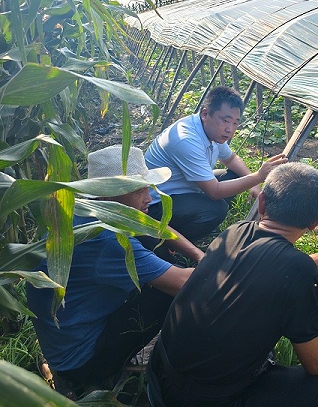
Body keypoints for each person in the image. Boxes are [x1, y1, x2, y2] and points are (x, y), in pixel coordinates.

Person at [147, 162, 318, 406]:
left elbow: (252, 271)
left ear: (262, 201)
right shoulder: (298, 271)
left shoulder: (236, 231)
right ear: (316, 221)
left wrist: (308, 262)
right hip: (202, 399)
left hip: (159, 377)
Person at [27, 145, 203, 399]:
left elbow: (153, 227)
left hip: (61, 338)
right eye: (139, 189)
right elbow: (184, 283)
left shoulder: (77, 209)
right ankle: (112, 371)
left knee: (156, 247)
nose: (149, 198)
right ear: (110, 193)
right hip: (82, 360)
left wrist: (198, 254)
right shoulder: (105, 242)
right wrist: (218, 262)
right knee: (167, 291)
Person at [144, 86, 287, 243]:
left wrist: (253, 183)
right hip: (154, 205)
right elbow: (215, 192)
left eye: (235, 123)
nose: (229, 129)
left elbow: (231, 159)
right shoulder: (186, 139)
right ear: (206, 114)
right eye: (225, 121)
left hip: (183, 189)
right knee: (216, 209)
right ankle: (170, 241)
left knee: (234, 175)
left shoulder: (210, 130)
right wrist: (258, 177)